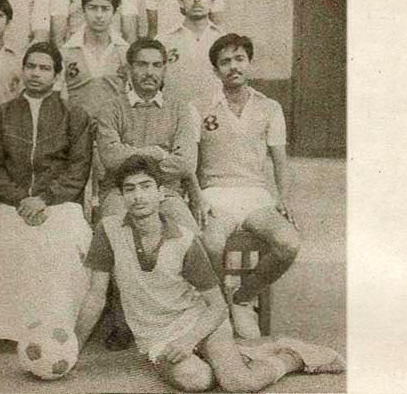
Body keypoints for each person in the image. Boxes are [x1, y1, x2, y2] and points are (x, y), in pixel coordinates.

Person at [74, 154, 345, 392]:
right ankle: (242, 355)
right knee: (197, 379)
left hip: (199, 320)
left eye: (146, 187)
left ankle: (291, 358)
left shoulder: (185, 240)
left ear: (161, 193)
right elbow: (96, 297)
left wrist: (189, 340)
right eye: (130, 189)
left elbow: (217, 306)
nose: (138, 196)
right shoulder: (108, 231)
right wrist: (72, 350)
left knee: (239, 383)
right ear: (122, 196)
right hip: (156, 333)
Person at [0, 42, 93, 342]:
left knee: (64, 240)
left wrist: (44, 199)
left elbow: (78, 169)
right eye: (31, 66)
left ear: (57, 75)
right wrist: (20, 199)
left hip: (59, 202)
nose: (36, 73)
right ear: (22, 70)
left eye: (44, 68)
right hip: (10, 203)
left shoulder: (74, 115)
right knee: (1, 239)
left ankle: (57, 327)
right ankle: (11, 330)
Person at [188, 33, 301, 340]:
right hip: (215, 194)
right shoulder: (199, 107)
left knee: (289, 244)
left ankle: (242, 298)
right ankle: (217, 309)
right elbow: (189, 163)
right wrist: (197, 197)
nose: (233, 67)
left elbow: (280, 162)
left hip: (255, 196)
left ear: (249, 63)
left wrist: (283, 198)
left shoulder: (270, 107)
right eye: (225, 62)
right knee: (211, 244)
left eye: (239, 59)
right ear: (216, 70)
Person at [95, 37, 203, 350]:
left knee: (190, 237)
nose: (149, 72)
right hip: (121, 191)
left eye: (157, 65)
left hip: (166, 192)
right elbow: (110, 159)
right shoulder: (111, 108)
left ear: (165, 69)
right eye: (142, 64)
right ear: (129, 68)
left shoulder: (179, 108)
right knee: (116, 234)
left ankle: (184, 317)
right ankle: (122, 321)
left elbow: (186, 163)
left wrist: (132, 154)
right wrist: (156, 153)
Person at [59, 0, 128, 119]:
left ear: (114, 12)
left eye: (105, 9)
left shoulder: (125, 51)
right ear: (83, 10)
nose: (99, 15)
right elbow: (60, 97)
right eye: (92, 8)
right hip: (77, 127)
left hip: (113, 127)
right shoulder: (66, 52)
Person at [156, 0, 223, 110]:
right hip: (175, 115)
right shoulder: (163, 41)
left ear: (212, 2)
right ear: (180, 2)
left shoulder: (223, 40)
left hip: (215, 116)